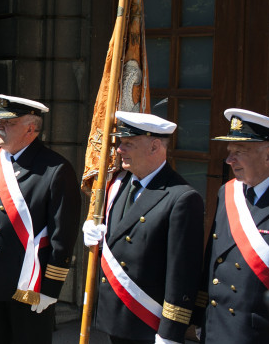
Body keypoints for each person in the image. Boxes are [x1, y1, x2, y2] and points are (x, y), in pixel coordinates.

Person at [0, 94, 81, 344]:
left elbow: (62, 236)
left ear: (31, 128)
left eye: (8, 123)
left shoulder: (55, 169)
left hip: (28, 285)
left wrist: (51, 288)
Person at [83, 111, 205, 344]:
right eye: (120, 143)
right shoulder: (118, 184)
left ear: (155, 146)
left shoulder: (181, 197)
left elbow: (182, 273)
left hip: (148, 320)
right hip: (116, 314)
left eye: (128, 143)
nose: (119, 149)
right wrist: (93, 231)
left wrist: (171, 331)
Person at [194, 108, 269, 343]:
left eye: (239, 152)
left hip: (260, 336)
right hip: (215, 330)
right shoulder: (227, 192)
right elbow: (212, 261)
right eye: (230, 152)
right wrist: (198, 317)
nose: (229, 160)